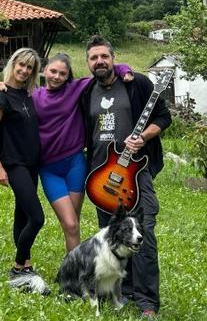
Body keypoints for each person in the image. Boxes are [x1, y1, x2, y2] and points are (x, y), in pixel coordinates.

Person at [0, 54, 133, 253]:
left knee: (73, 224)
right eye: (53, 71)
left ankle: (74, 274)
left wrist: (125, 69)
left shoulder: (75, 89)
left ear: (68, 77)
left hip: (75, 164)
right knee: (70, 223)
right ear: (44, 70)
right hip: (49, 168)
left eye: (62, 74)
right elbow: (11, 94)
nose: (57, 76)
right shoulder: (33, 95)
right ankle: (69, 269)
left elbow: (103, 70)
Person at [79, 35, 171, 319]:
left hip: (135, 172)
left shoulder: (137, 84)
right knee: (112, 236)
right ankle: (121, 290)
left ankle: (146, 302)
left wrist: (143, 138)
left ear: (113, 57)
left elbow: (163, 117)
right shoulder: (86, 93)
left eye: (104, 56)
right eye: (94, 58)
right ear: (88, 63)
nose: (99, 62)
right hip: (100, 178)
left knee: (141, 234)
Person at [0, 48, 47, 284]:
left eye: (29, 67)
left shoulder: (28, 94)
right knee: (37, 218)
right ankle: (19, 267)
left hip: (32, 164)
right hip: (14, 163)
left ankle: (26, 264)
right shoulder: (1, 95)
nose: (24, 70)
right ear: (13, 64)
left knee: (22, 215)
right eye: (21, 64)